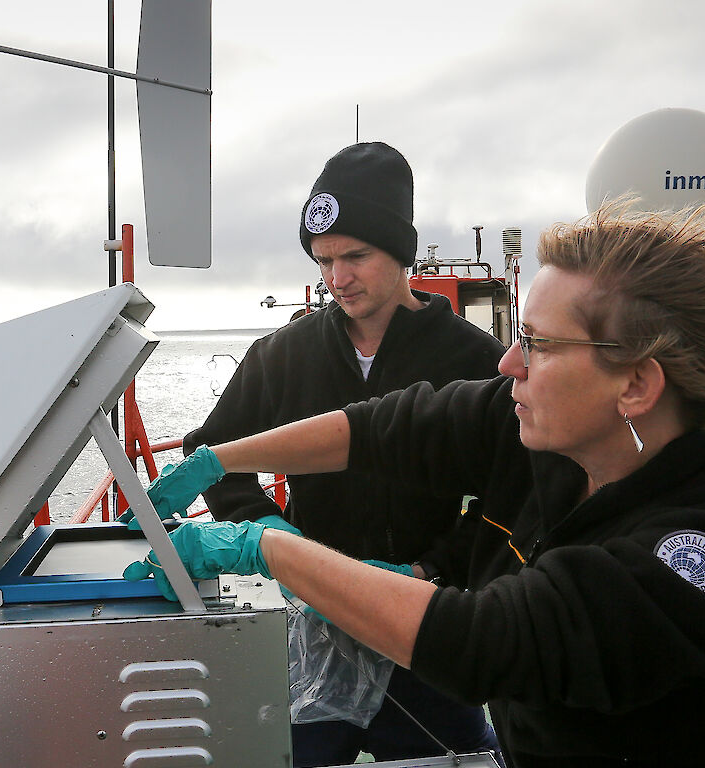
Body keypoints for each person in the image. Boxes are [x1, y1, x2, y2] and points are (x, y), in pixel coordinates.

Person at [126, 201, 705, 767]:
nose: (508, 365)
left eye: (541, 346)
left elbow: (487, 644)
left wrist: (264, 548)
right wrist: (218, 459)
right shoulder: (553, 435)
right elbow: (387, 427)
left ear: (638, 384)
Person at [153, 141, 507, 766]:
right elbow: (210, 446)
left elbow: (506, 494)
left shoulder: (475, 361)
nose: (337, 279)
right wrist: (274, 536)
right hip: (318, 621)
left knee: (450, 753)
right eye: (323, 261)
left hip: (428, 619)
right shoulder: (283, 354)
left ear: (403, 251)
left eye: (355, 256)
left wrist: (435, 568)